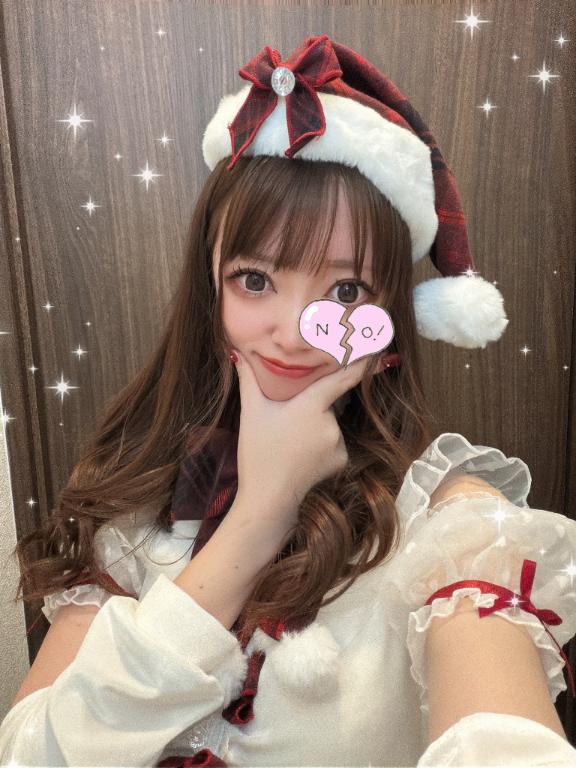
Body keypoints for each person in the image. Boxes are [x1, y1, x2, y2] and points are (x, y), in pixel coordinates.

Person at [2, 33, 576, 767]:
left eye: (346, 290)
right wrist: (258, 517)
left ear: (391, 310)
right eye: (255, 280)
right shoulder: (135, 511)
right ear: (209, 288)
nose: (295, 333)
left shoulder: (450, 528)